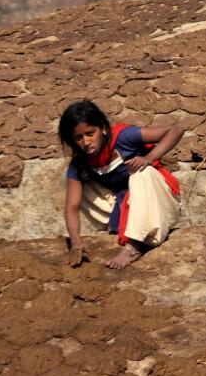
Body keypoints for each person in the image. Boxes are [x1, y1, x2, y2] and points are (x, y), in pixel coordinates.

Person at [58, 101, 184, 270]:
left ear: (102, 128)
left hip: (156, 200)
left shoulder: (124, 138)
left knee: (141, 173)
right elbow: (72, 207)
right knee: (74, 181)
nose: (86, 142)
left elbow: (176, 130)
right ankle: (120, 225)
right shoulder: (80, 161)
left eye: (90, 133)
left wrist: (149, 158)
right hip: (125, 200)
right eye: (78, 138)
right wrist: (76, 243)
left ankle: (134, 246)